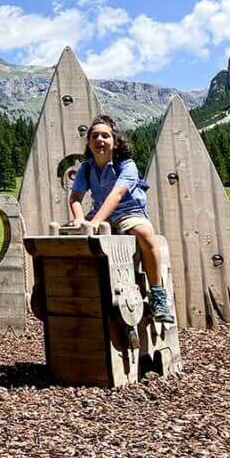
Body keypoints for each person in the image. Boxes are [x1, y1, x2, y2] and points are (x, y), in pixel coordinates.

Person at [68, 114, 175, 323]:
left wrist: (95, 222)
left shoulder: (127, 165)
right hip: (101, 212)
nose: (99, 140)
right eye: (95, 136)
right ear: (89, 143)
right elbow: (76, 197)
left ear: (115, 142)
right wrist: (79, 219)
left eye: (105, 136)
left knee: (145, 233)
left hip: (128, 212)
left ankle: (158, 294)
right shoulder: (86, 168)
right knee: (68, 235)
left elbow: (117, 194)